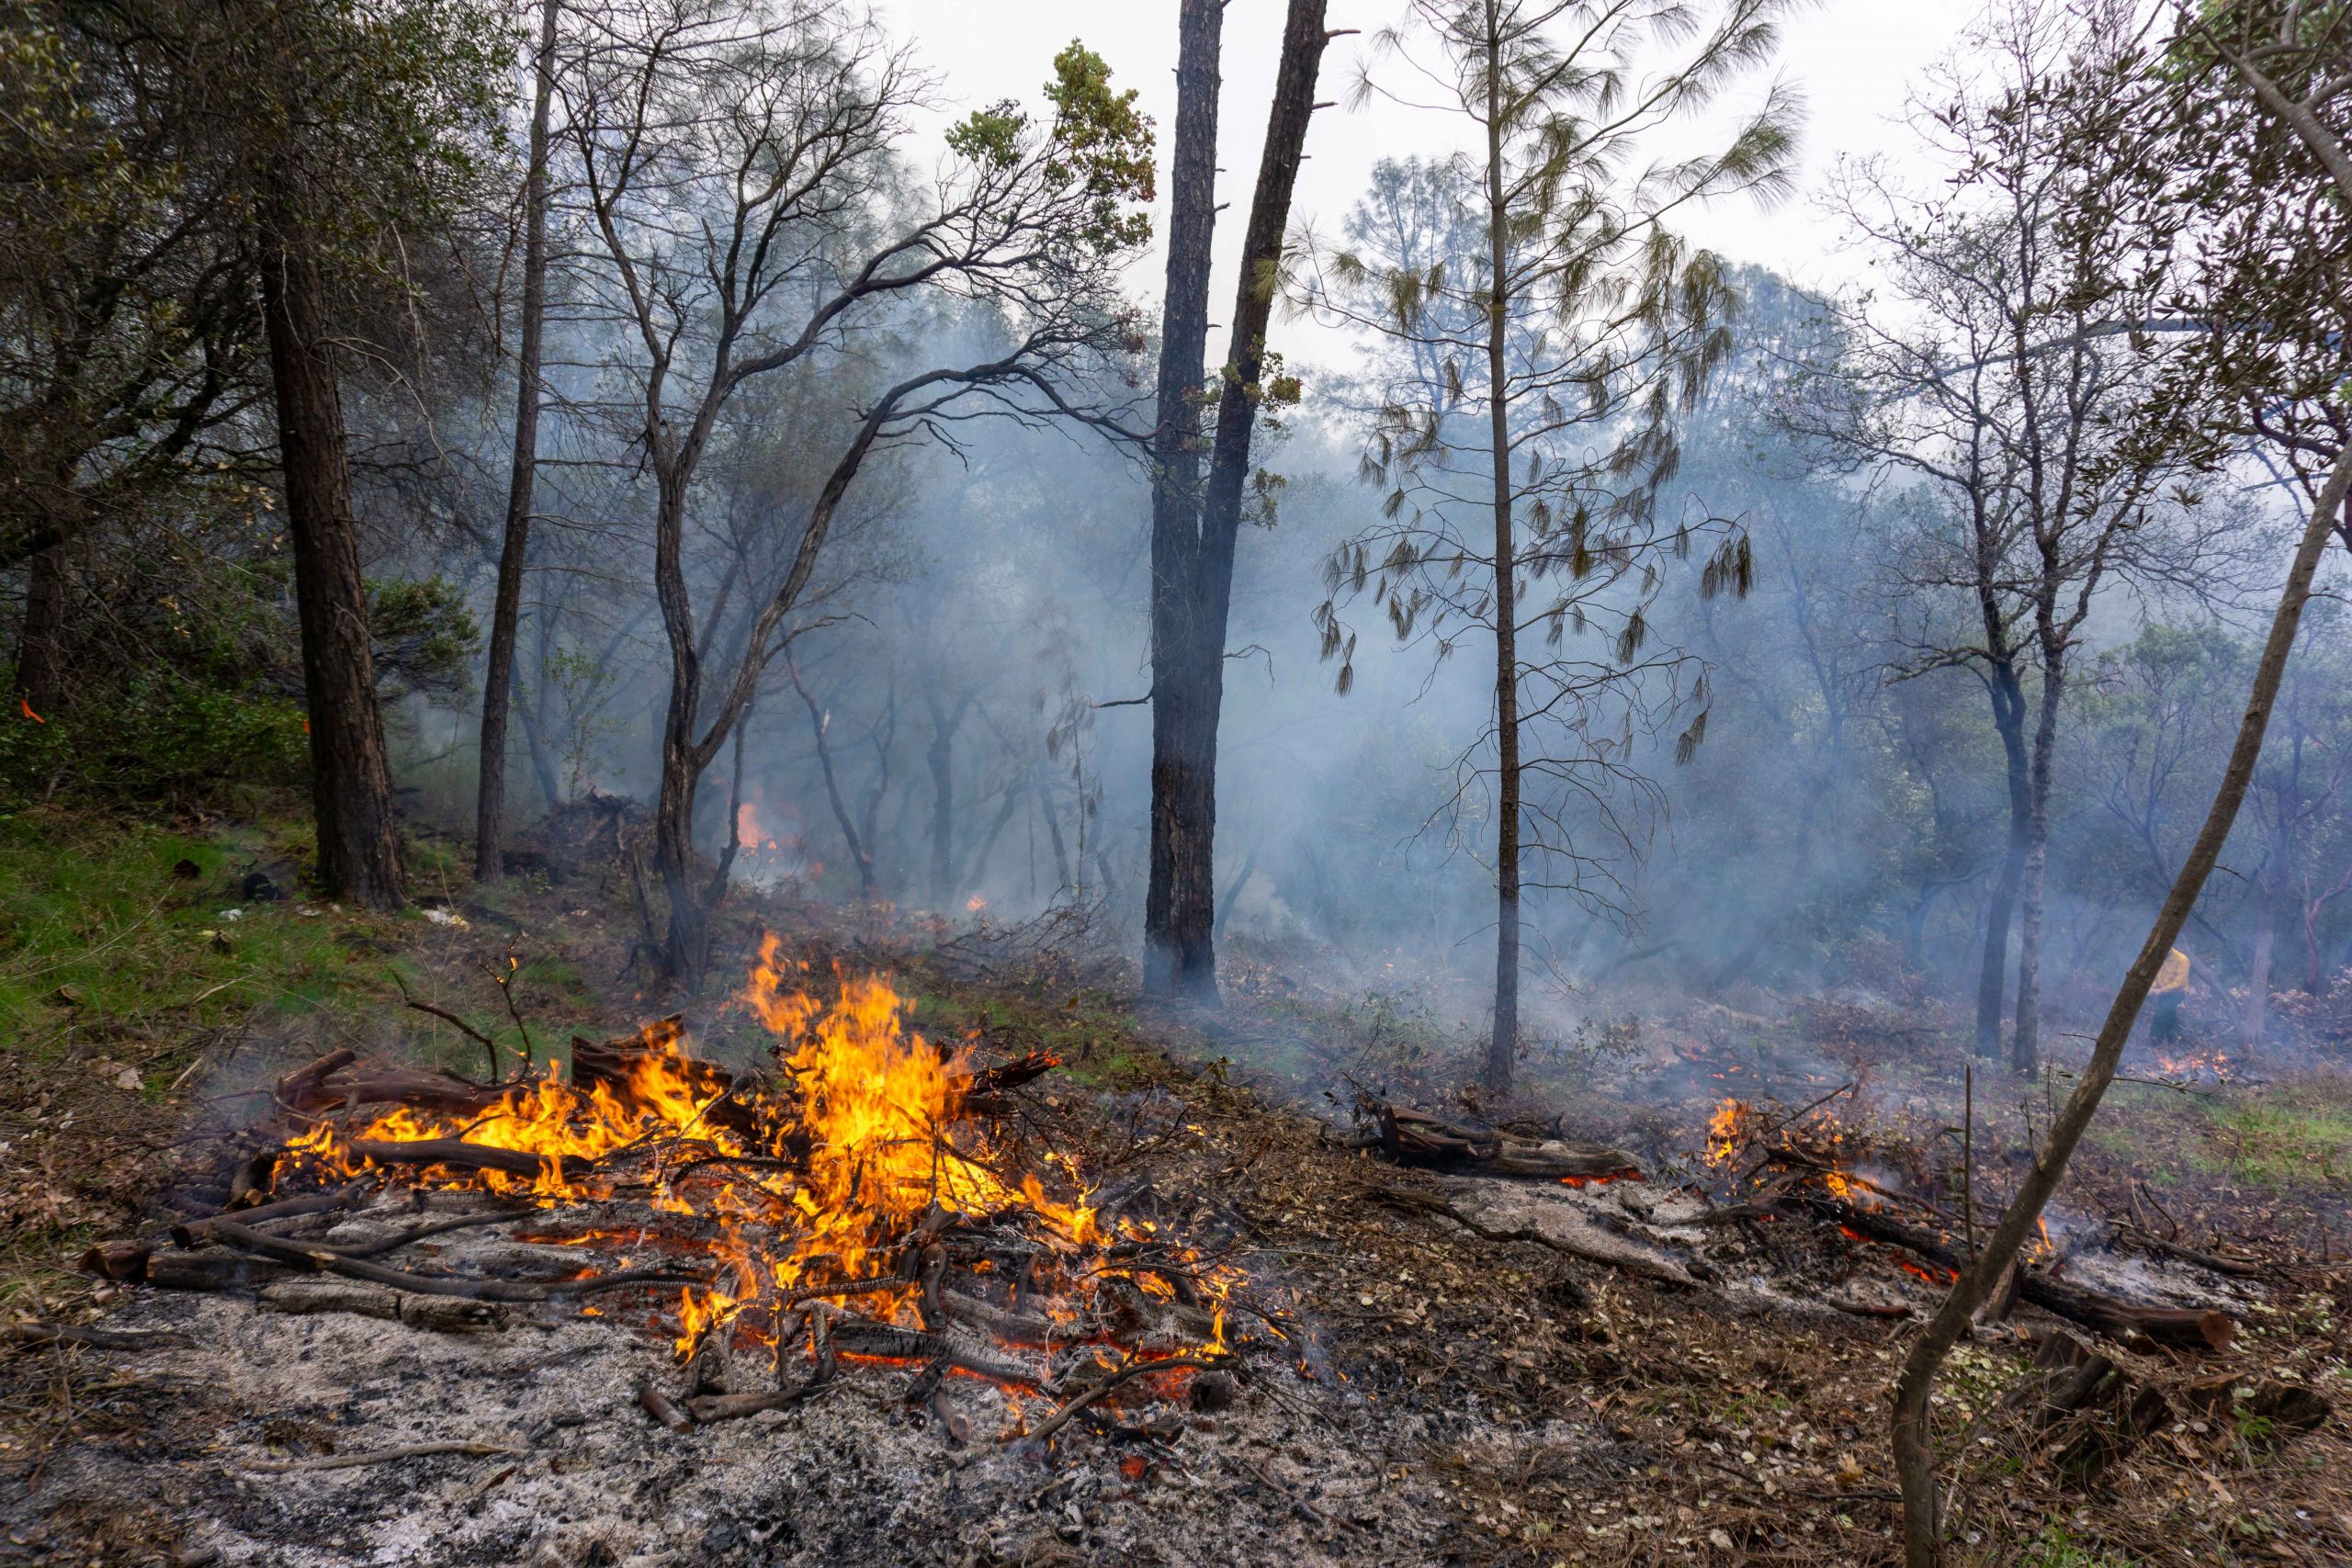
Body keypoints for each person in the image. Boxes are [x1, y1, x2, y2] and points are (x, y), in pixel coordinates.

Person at [2149, 946, 2189, 1046]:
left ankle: (2155, 1039)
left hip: (2178, 993)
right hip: (2163, 993)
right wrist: (2152, 989)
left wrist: (2161, 990)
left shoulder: (2182, 959)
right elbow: (2155, 977)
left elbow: (2180, 983)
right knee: (2169, 1015)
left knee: (2161, 1013)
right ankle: (2173, 1039)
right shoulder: (2159, 957)